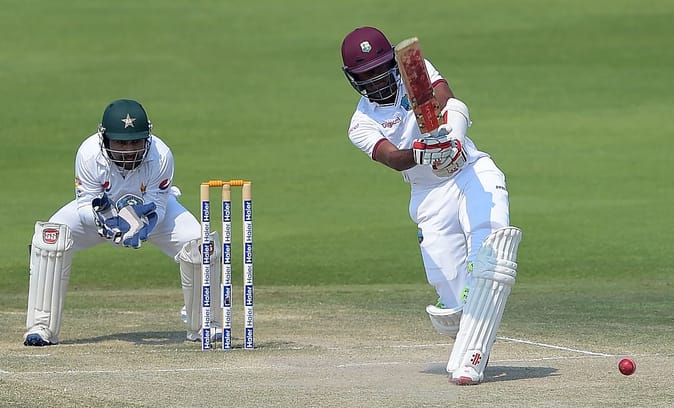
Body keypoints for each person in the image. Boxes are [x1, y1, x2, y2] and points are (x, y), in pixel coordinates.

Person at [340, 26, 523, 385]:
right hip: (429, 196)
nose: (377, 81)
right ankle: (469, 339)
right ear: (354, 79)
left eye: (380, 69)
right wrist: (421, 154)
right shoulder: (360, 124)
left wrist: (452, 140)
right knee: (453, 297)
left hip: (470, 172)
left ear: (392, 62)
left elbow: (448, 100)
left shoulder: (415, 69)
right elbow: (392, 158)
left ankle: (471, 360)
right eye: (367, 76)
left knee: (489, 255)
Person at [24, 98, 222, 346]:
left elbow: (159, 204)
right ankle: (41, 326)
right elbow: (85, 205)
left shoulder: (161, 155)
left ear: (147, 138)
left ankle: (206, 323)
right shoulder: (88, 154)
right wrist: (105, 221)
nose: (128, 150)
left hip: (147, 216)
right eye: (120, 142)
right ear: (104, 138)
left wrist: (142, 222)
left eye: (135, 142)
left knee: (200, 245)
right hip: (103, 217)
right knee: (50, 238)